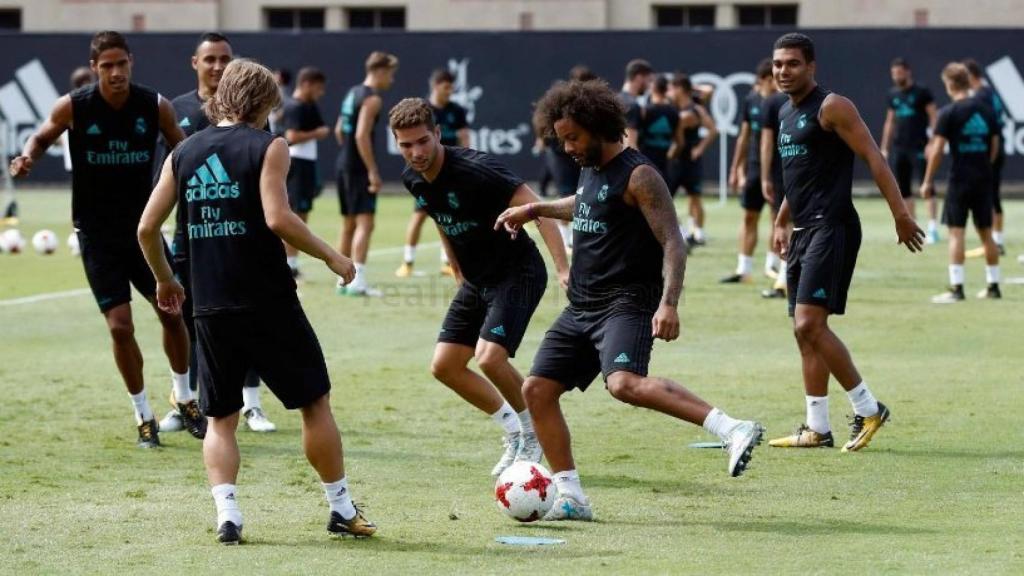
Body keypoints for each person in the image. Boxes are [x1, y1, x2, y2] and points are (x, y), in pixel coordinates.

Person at [495, 79, 765, 521]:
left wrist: (670, 302)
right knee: (537, 389)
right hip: (582, 304)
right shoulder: (590, 166)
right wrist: (537, 209)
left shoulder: (640, 175)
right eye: (562, 139)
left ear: (599, 127)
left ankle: (731, 428)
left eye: (573, 138)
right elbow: (584, 204)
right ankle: (572, 497)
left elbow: (674, 241)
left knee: (624, 384)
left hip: (626, 301)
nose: (567, 148)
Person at [137, 59, 377, 544]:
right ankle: (341, 507)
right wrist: (334, 257)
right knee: (314, 403)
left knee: (220, 419)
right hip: (269, 302)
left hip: (209, 306)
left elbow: (146, 228)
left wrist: (166, 280)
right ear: (265, 103)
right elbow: (278, 217)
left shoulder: (183, 154)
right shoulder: (270, 146)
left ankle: (229, 516)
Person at [10, 31, 195, 447]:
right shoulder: (75, 106)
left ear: (131, 62)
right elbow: (41, 137)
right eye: (107, 66)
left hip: (143, 232)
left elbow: (181, 150)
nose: (116, 72)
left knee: (172, 313)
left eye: (122, 64)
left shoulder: (154, 104)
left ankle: (184, 398)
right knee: (120, 326)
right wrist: (27, 157)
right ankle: (143, 414)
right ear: (95, 69)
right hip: (96, 235)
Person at [390, 97, 570, 476]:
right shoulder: (412, 178)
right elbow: (440, 217)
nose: (416, 152)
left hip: (517, 271)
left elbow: (538, 211)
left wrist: (563, 269)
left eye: (423, 141)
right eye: (406, 145)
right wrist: (454, 265)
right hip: (476, 279)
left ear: (438, 134)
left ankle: (534, 431)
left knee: (490, 357)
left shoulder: (477, 168)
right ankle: (514, 431)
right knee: (445, 366)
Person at [765, 33, 924, 451]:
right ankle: (817, 428)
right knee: (803, 334)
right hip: (802, 231)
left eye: (792, 64)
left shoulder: (832, 106)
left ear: (811, 66)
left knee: (809, 324)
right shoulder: (784, 112)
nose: (783, 71)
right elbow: (798, 179)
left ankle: (868, 407)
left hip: (832, 227)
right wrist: (783, 219)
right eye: (778, 64)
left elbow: (874, 156)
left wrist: (901, 215)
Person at [158, 32, 277, 435]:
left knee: (251, 318)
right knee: (191, 322)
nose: (217, 65)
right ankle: (186, 401)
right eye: (210, 58)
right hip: (192, 236)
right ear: (195, 62)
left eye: (224, 58)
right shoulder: (177, 110)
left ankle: (252, 405)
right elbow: (168, 176)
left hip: (242, 235)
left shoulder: (253, 113)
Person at [922, 63, 1001, 303]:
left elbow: (936, 150)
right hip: (983, 178)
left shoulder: (949, 113)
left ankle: (957, 289)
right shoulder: (986, 110)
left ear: (950, 84)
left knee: (957, 233)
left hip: (960, 179)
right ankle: (993, 286)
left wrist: (927, 181)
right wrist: (985, 166)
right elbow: (995, 144)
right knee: (987, 233)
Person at [396, 68, 471, 278]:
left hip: (451, 170)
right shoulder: (424, 111)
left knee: (450, 215)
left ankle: (447, 261)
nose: (449, 92)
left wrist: (466, 160)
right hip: (425, 172)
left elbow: (465, 137)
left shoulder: (457, 110)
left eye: (452, 88)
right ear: (436, 86)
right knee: (419, 216)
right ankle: (407, 261)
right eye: (446, 87)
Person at [335, 51, 399, 296]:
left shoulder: (352, 92)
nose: (391, 80)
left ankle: (342, 280)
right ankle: (357, 282)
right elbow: (362, 134)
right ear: (380, 71)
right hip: (358, 168)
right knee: (366, 223)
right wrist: (372, 171)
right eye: (391, 74)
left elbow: (340, 130)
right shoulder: (373, 99)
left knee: (349, 224)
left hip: (344, 163)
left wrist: (348, 153)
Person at [723, 59, 781, 284]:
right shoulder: (751, 101)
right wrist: (736, 168)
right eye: (773, 79)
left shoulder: (784, 102)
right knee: (749, 216)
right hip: (755, 169)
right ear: (765, 80)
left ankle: (773, 265)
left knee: (778, 219)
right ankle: (743, 269)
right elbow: (744, 137)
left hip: (779, 170)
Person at [880, 58, 939, 243]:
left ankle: (933, 228)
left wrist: (932, 142)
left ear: (907, 72)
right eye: (893, 74)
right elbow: (890, 121)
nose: (896, 77)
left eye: (899, 73)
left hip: (920, 146)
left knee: (926, 187)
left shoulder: (922, 92)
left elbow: (934, 117)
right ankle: (912, 225)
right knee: (903, 190)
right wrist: (884, 147)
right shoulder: (892, 94)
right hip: (900, 148)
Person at [281, 67, 329, 279]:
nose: (321, 93)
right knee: (294, 214)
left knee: (303, 213)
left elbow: (322, 129)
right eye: (318, 88)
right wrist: (316, 133)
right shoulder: (294, 106)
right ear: (306, 84)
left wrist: (317, 133)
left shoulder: (310, 105)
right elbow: (291, 136)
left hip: (308, 162)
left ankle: (292, 262)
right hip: (297, 163)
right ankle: (287, 264)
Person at [964, 59, 1008, 256]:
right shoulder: (989, 92)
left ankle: (994, 242)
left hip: (989, 150)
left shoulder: (981, 96)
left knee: (990, 196)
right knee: (993, 195)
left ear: (970, 75)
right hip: (995, 148)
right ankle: (996, 241)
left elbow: (990, 128)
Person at [668, 73, 717, 246]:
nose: (670, 91)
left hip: (690, 159)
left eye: (674, 87)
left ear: (681, 89)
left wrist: (700, 148)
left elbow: (712, 130)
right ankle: (680, 232)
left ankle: (699, 233)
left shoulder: (696, 108)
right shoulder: (671, 106)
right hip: (673, 159)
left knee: (695, 196)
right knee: (667, 198)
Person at [637, 75, 681, 181]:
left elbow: (634, 138)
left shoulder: (644, 111)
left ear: (653, 88)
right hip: (664, 165)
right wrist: (669, 156)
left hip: (645, 163)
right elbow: (679, 142)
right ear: (666, 89)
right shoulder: (674, 113)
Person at [620, 59, 653, 149]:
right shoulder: (632, 106)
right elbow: (630, 145)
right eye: (649, 80)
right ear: (639, 78)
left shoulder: (616, 100)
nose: (649, 86)